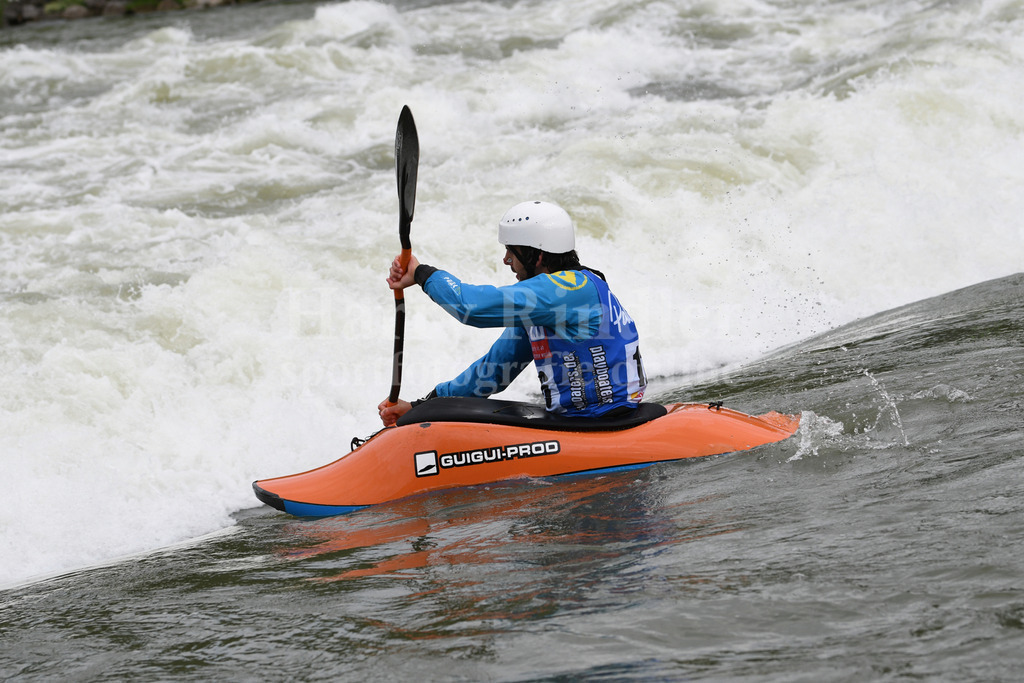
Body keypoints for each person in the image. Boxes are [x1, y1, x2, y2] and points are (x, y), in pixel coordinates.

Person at [377, 200, 647, 426]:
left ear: (538, 256)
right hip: (581, 421)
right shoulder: (547, 306)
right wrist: (423, 406)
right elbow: (494, 372)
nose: (506, 260)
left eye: (511, 251)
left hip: (607, 422)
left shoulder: (569, 290)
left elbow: (471, 308)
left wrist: (422, 274)